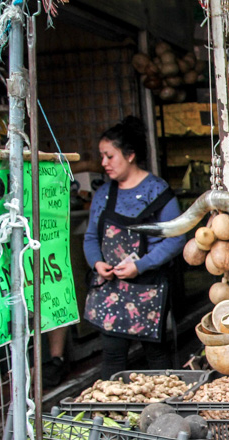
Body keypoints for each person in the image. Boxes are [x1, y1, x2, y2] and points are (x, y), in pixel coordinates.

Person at [83, 117, 185, 379]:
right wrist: (97, 263)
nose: (103, 163)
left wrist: (140, 265)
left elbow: (175, 239)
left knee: (156, 357)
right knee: (113, 355)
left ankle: (164, 413)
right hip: (112, 287)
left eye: (109, 156)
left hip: (149, 287)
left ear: (129, 155)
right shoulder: (103, 194)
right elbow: (91, 238)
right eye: (102, 156)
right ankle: (111, 414)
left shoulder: (158, 192)